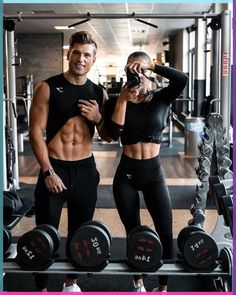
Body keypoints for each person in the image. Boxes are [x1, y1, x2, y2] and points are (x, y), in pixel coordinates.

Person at [29, 31, 109, 292]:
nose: (81, 58)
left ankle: (70, 284)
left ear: (94, 60)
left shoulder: (99, 92)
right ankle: (41, 287)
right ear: (68, 54)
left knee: (80, 232)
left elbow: (109, 136)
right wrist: (48, 171)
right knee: (44, 233)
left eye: (87, 54)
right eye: (76, 52)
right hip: (55, 167)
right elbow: (35, 132)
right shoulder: (47, 87)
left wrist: (98, 118)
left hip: (85, 170)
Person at [104, 51, 188, 292]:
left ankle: (163, 286)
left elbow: (181, 79)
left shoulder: (162, 98)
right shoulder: (116, 100)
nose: (136, 78)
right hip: (126, 175)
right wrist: (122, 99)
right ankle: (138, 282)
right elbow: (114, 133)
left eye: (140, 72)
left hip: (154, 173)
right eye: (131, 72)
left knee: (165, 228)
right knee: (134, 230)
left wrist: (152, 66)